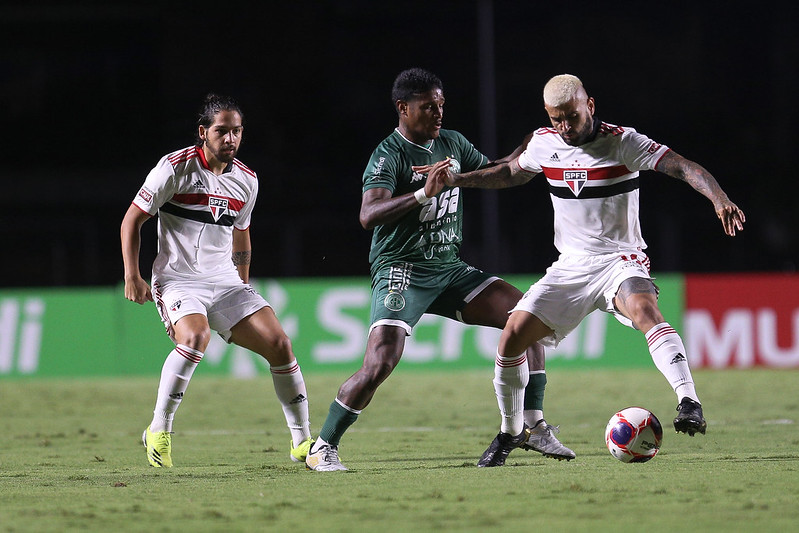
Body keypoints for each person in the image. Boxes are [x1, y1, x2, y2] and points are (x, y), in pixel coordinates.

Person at [423, 74, 746, 465]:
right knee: (511, 340)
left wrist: (719, 197)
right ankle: (511, 431)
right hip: (570, 268)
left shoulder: (623, 141)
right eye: (557, 118)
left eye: (572, 117)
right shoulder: (544, 142)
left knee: (646, 311)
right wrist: (458, 181)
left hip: (619, 260)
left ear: (589, 106)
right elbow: (510, 172)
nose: (565, 126)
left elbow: (680, 166)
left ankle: (689, 401)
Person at [305, 68, 574, 472]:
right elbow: (368, 214)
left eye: (441, 105)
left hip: (448, 269)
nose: (438, 113)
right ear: (403, 108)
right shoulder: (389, 154)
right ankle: (323, 446)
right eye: (428, 107)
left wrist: (531, 146)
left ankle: (533, 425)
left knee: (527, 316)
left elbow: (496, 173)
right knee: (380, 363)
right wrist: (420, 193)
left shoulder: (452, 142)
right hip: (402, 270)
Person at [120, 94, 313, 468]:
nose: (230, 139)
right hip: (178, 280)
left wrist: (241, 285)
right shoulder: (174, 169)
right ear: (203, 132)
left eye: (236, 131)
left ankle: (303, 443)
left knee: (280, 345)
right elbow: (132, 220)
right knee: (195, 337)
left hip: (225, 282)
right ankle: (159, 428)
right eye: (222, 131)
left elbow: (241, 235)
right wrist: (133, 274)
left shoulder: (247, 181)